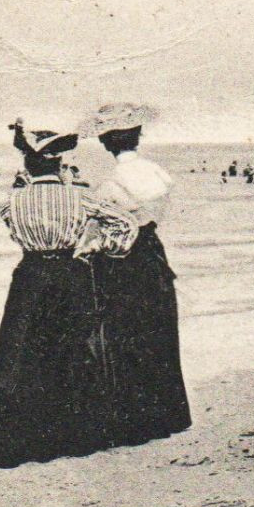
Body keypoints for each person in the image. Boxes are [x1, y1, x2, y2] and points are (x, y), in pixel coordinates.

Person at [0, 124, 138, 468]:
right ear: (59, 164)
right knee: (72, 348)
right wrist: (98, 248)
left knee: (17, 353)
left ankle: (2, 437)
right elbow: (124, 225)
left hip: (30, 275)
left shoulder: (13, 200)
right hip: (70, 275)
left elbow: (14, 230)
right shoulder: (80, 195)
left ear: (28, 166)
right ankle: (74, 434)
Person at [85, 103, 193, 448]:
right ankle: (170, 412)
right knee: (158, 328)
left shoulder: (110, 184)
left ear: (106, 143)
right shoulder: (158, 173)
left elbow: (104, 228)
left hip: (125, 258)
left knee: (126, 333)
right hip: (152, 250)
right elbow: (156, 213)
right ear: (137, 138)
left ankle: (137, 416)